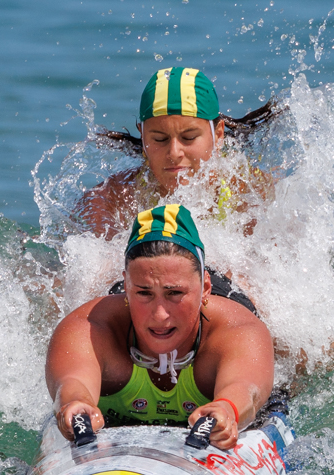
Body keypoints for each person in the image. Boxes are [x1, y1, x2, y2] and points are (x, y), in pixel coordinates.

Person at [46, 204, 276, 450]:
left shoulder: (237, 331)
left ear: (205, 289)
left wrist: (227, 409)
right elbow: (72, 383)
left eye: (174, 293)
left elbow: (246, 389)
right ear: (126, 288)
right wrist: (74, 405)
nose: (160, 315)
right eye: (144, 294)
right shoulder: (90, 328)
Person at [75, 67, 280, 239]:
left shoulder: (255, 193)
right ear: (143, 137)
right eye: (159, 139)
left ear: (218, 135)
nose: (174, 153)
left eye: (188, 138)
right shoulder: (115, 198)